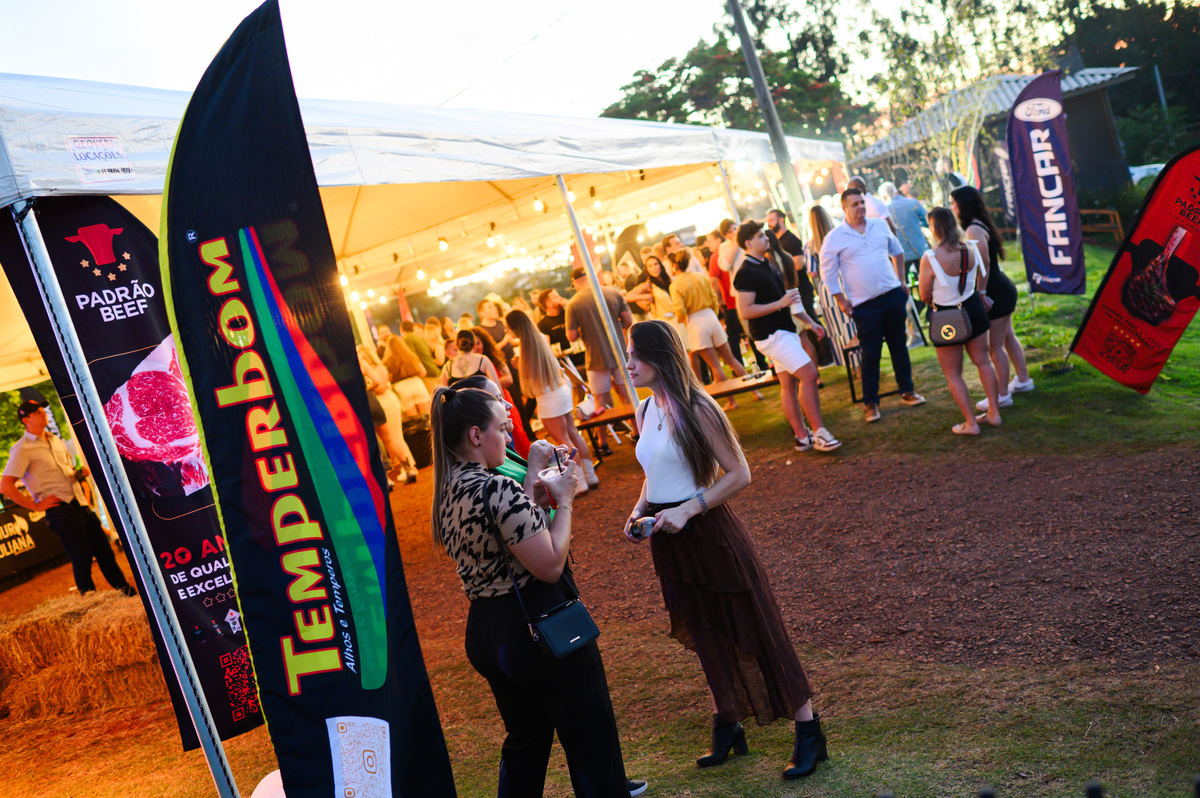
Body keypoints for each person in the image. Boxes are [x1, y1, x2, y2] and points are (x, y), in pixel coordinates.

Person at [622, 320, 827, 781]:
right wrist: (638, 511)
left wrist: (689, 509)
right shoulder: (645, 409)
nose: (629, 363)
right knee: (704, 631)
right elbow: (653, 472)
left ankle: (809, 731)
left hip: (709, 533)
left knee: (756, 627)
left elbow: (739, 473)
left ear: (660, 357)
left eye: (636, 354)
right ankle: (728, 724)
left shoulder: (698, 407)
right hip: (669, 540)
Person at [430, 385, 643, 798]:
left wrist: (533, 496)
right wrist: (564, 501)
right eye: (502, 429)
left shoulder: (448, 491)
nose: (508, 436)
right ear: (476, 435)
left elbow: (505, 540)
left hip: (489, 631)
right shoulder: (496, 488)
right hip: (539, 627)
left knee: (525, 742)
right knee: (591, 737)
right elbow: (549, 565)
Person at [1, 400, 136, 597]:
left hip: (79, 503)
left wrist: (78, 473)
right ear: (26, 419)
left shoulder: (55, 440)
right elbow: (5, 485)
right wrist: (35, 506)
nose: (43, 413)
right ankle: (89, 601)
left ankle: (126, 591)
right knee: (82, 558)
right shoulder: (22, 448)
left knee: (105, 551)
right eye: (37, 412)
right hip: (59, 509)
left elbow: (65, 470)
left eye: (42, 410)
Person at [820, 187, 926, 423]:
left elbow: (897, 251)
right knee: (871, 353)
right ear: (844, 208)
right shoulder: (835, 238)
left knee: (899, 345)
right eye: (854, 204)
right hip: (864, 304)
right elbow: (828, 274)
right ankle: (871, 403)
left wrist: (901, 281)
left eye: (862, 202)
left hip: (892, 295)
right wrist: (840, 300)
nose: (860, 207)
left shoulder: (879, 225)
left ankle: (907, 391)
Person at [734, 221, 841, 452]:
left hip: (785, 331)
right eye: (761, 235)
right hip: (772, 336)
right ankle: (819, 433)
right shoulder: (746, 272)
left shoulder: (768, 265)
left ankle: (802, 437)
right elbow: (745, 311)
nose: (767, 238)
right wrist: (779, 304)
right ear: (748, 242)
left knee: (788, 384)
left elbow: (790, 299)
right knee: (809, 374)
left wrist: (810, 322)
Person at [918, 208, 1003, 435]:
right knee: (984, 362)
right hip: (973, 308)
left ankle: (971, 423)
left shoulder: (930, 258)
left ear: (935, 229)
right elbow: (983, 271)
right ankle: (994, 413)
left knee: (953, 373)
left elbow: (924, 295)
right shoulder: (970, 249)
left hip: (947, 317)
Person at [950, 186, 1034, 412]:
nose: (951, 206)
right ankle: (1024, 381)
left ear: (963, 204)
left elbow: (984, 262)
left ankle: (1003, 395)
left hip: (995, 291)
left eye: (953, 202)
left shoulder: (973, 229)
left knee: (994, 347)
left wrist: (982, 292)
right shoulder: (977, 224)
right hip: (1001, 288)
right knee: (1007, 337)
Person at [506, 309, 599, 494]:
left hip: (549, 398)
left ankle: (579, 482)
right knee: (573, 434)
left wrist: (519, 366)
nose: (508, 332)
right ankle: (590, 475)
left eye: (508, 328)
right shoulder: (540, 338)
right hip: (561, 390)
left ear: (515, 328)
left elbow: (529, 387)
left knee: (563, 440)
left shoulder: (525, 347)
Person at [665, 250, 761, 408]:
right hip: (711, 316)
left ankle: (731, 401)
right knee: (731, 359)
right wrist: (713, 312)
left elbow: (680, 309)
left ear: (675, 265)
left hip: (695, 321)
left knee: (715, 365)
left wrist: (682, 319)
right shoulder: (700, 276)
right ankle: (755, 392)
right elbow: (714, 298)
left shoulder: (675, 285)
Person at [565, 266, 634, 454]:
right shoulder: (612, 292)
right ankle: (639, 432)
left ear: (575, 282)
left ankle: (603, 443)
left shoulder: (573, 303)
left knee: (599, 401)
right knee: (627, 395)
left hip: (595, 356)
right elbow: (628, 321)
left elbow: (571, 336)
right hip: (619, 352)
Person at [358, 346, 419, 483]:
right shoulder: (362, 363)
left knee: (372, 442)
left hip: (362, 405)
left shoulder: (342, 368)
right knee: (389, 439)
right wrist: (368, 388)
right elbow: (377, 382)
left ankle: (386, 479)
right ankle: (409, 469)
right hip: (374, 402)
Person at [805, 205, 856, 367]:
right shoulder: (838, 236)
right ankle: (861, 360)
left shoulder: (810, 245)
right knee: (852, 322)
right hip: (845, 280)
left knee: (836, 327)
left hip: (827, 286)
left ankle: (849, 364)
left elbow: (812, 272)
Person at [383, 335, 433, 418]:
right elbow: (423, 372)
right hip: (417, 384)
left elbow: (388, 379)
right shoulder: (411, 355)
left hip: (401, 388)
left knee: (414, 420)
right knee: (427, 417)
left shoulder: (387, 361)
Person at [401, 320, 440, 389]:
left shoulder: (407, 338)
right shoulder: (418, 337)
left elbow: (412, 357)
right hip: (433, 370)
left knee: (436, 395)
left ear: (401, 329)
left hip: (428, 374)